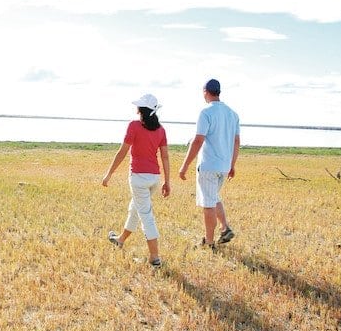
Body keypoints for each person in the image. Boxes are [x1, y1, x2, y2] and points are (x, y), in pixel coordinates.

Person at [101, 94, 171, 267]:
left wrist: (109, 174)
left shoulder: (134, 126)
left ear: (141, 110)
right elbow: (165, 157)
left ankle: (155, 257)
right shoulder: (161, 130)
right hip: (154, 178)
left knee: (146, 216)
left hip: (139, 178)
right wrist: (167, 181)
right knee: (135, 208)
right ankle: (120, 239)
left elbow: (122, 152)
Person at [178, 78, 241, 249]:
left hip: (208, 166)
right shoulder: (233, 114)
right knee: (213, 197)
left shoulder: (206, 112)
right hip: (224, 166)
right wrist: (232, 164)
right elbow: (236, 142)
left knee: (208, 205)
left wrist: (184, 166)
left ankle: (209, 241)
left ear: (205, 92)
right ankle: (225, 227)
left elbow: (198, 140)